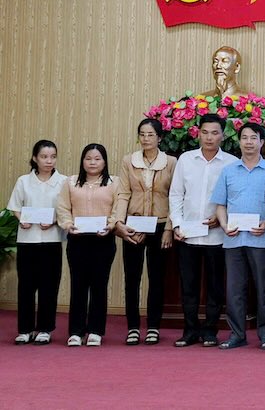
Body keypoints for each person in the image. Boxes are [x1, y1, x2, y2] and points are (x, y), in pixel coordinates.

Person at [169, 113, 237, 347]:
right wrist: (176, 224)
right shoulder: (186, 160)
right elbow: (177, 194)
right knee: (189, 285)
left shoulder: (230, 163)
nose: (209, 137)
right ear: (198, 133)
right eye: (205, 132)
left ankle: (210, 330)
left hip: (217, 235)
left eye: (215, 132)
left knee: (215, 286)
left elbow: (232, 197)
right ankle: (190, 330)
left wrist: (221, 219)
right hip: (188, 234)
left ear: (223, 135)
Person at [212, 122, 265, 350]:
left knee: (264, 288)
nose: (249, 142)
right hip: (233, 239)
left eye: (254, 138)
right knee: (234, 290)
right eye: (245, 138)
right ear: (239, 142)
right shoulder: (228, 171)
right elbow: (220, 204)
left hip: (262, 238)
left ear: (262, 142)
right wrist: (223, 224)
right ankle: (237, 334)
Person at [112, 118, 177, 346]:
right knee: (132, 277)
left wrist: (169, 227)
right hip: (134, 224)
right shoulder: (129, 161)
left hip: (160, 225)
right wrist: (120, 224)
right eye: (142, 134)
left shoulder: (171, 162)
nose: (146, 139)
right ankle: (132, 327)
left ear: (159, 137)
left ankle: (153, 327)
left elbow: (174, 197)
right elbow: (123, 193)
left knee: (157, 278)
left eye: (150, 135)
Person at [55, 143, 118, 347]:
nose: (92, 162)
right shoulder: (70, 182)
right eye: (88, 158)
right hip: (77, 239)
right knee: (78, 285)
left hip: (103, 239)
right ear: (82, 161)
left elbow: (119, 208)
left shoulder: (114, 183)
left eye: (97, 158)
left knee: (99, 285)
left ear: (105, 161)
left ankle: (96, 331)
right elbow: (63, 207)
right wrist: (67, 224)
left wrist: (111, 225)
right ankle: (75, 331)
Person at [7, 140, 68, 345]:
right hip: (27, 240)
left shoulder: (64, 181)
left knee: (49, 286)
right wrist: (21, 219)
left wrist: (53, 221)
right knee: (26, 286)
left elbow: (66, 209)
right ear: (35, 158)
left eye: (52, 156)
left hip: (52, 240)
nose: (49, 161)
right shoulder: (23, 180)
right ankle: (25, 329)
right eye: (44, 156)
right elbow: (15, 206)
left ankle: (44, 329)